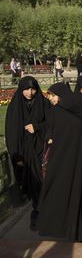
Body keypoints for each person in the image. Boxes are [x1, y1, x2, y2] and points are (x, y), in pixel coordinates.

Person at [37, 83, 82, 242]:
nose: (51, 99)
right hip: (72, 159)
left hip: (75, 160)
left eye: (53, 96)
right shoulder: (69, 109)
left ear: (61, 95)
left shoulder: (66, 110)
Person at [5, 76, 48, 231]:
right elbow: (12, 133)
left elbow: (50, 123)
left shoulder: (43, 103)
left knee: (43, 183)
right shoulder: (15, 107)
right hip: (25, 154)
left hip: (41, 151)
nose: (30, 92)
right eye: (27, 89)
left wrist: (36, 127)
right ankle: (37, 213)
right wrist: (17, 157)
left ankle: (41, 213)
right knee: (33, 185)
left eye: (33, 89)